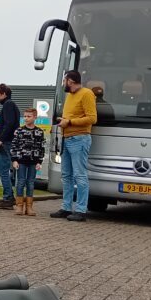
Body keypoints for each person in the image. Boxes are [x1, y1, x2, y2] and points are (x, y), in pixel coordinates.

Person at [51, 70, 96, 222]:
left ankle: (81, 210)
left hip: (79, 138)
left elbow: (92, 118)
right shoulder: (69, 95)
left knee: (80, 175)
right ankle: (66, 207)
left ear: (70, 80)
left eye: (64, 80)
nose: (63, 83)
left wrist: (69, 122)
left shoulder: (87, 93)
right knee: (66, 175)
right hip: (66, 138)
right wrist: (63, 120)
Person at [10, 108, 45, 216]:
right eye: (25, 116)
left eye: (29, 116)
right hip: (21, 161)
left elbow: (41, 147)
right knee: (21, 182)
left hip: (33, 162)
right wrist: (14, 160)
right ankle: (19, 206)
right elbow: (14, 146)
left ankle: (29, 207)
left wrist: (40, 161)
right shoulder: (19, 131)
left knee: (30, 183)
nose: (26, 118)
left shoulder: (39, 132)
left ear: (35, 117)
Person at [0, 84, 20, 210]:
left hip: (7, 142)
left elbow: (9, 123)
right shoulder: (10, 105)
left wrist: (1, 139)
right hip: (7, 141)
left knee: (2, 170)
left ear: (4, 94)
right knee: (3, 169)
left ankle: (8, 198)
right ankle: (8, 197)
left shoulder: (8, 105)